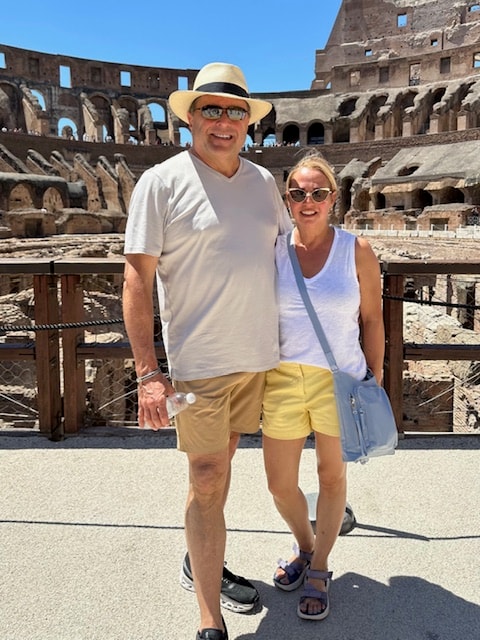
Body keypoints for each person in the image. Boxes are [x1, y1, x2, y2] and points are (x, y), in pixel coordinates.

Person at [122, 62, 292, 640]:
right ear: (190, 117)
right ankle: (208, 615)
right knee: (207, 472)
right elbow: (137, 280)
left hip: (257, 358)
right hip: (197, 365)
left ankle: (202, 560)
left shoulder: (263, 183)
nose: (224, 121)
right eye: (212, 110)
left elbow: (286, 259)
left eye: (236, 111)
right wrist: (149, 372)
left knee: (222, 470)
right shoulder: (161, 182)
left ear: (249, 122)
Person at [262, 152, 385, 621]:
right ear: (288, 199)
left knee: (331, 477)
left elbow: (372, 320)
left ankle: (320, 567)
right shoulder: (274, 250)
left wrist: (371, 379)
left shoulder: (357, 250)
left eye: (317, 192)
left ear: (333, 199)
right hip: (283, 377)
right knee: (279, 483)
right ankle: (306, 544)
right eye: (298, 193)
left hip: (341, 379)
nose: (307, 200)